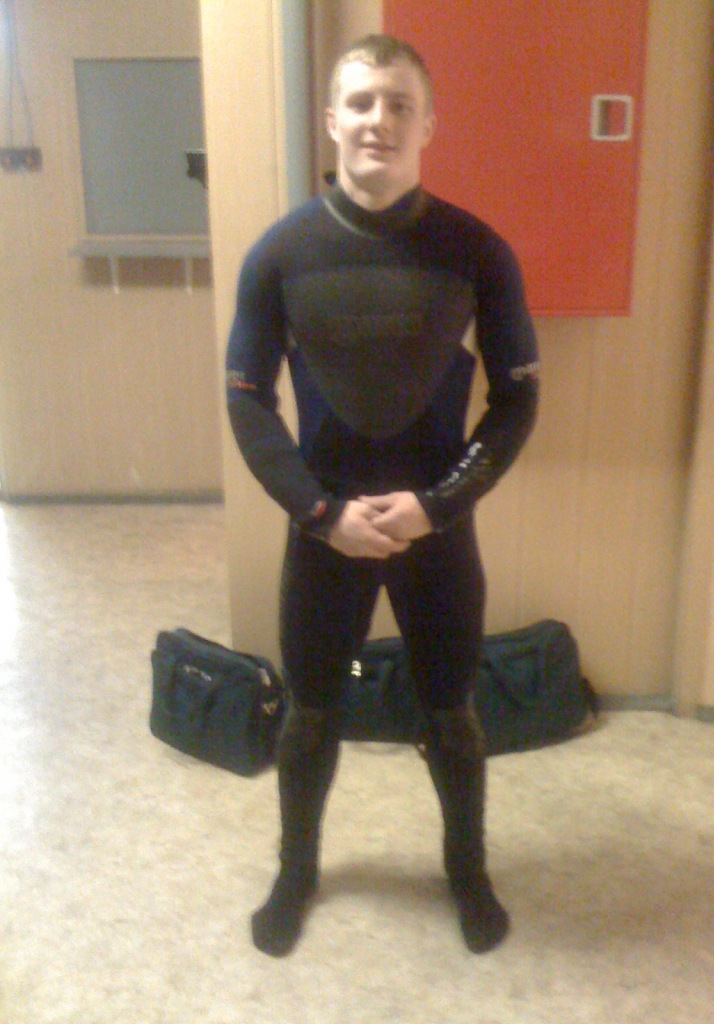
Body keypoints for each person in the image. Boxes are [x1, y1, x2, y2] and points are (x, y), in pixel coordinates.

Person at [226, 33, 539, 957]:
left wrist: (437, 506)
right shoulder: (280, 253)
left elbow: (519, 400)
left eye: (401, 104)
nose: (380, 120)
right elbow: (247, 402)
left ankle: (467, 871)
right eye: (361, 102)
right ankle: (296, 871)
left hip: (435, 525)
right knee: (310, 714)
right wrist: (320, 514)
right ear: (332, 120)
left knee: (452, 715)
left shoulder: (477, 250)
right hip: (325, 527)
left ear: (429, 125)